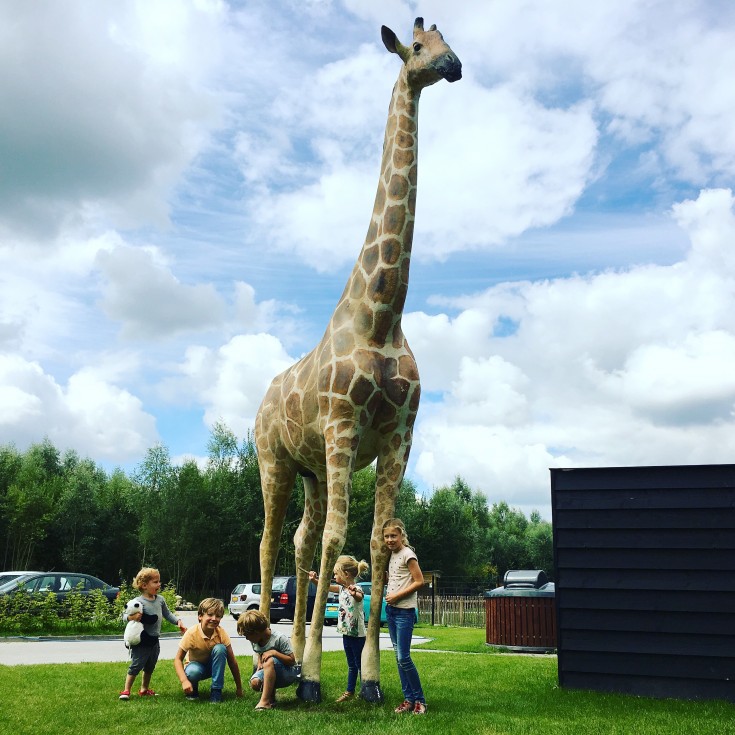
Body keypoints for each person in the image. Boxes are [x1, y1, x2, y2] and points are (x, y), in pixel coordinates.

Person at [119, 567, 187, 700]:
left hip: (155, 640)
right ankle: (126, 690)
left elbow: (167, 614)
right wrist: (131, 618)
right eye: (155, 582)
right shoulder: (138, 602)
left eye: (159, 581)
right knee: (137, 664)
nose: (159, 584)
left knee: (150, 665)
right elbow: (123, 616)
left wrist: (178, 621)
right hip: (142, 641)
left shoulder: (160, 599)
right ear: (144, 585)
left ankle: (144, 689)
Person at [309, 555, 369, 702]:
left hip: (357, 634)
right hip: (346, 633)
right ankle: (349, 692)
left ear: (346, 574)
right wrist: (315, 580)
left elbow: (359, 596)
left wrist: (354, 593)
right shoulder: (342, 589)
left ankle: (364, 691)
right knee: (351, 665)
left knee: (359, 664)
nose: (334, 576)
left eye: (336, 573)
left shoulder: (356, 588)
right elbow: (326, 586)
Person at [383, 518, 427, 715]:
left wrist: (397, 596)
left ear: (401, 535)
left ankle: (420, 700)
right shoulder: (392, 555)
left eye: (394, 535)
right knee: (398, 658)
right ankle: (408, 699)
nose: (390, 539)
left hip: (404, 613)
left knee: (404, 657)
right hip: (391, 612)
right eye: (387, 536)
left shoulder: (408, 554)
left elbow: (419, 581)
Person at [174, 597, 243, 703]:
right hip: (195, 667)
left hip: (213, 667)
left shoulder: (221, 633)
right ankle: (192, 688)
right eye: (210, 614)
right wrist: (184, 681)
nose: (214, 618)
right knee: (193, 672)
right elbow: (178, 660)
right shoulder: (191, 633)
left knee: (220, 648)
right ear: (200, 616)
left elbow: (232, 661)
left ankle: (216, 691)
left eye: (218, 616)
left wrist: (239, 687)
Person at [236, 609, 298, 710]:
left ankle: (264, 702)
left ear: (256, 632)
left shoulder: (279, 638)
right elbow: (261, 652)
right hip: (269, 669)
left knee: (270, 661)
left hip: (288, 673)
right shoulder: (255, 640)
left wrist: (274, 653)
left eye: (247, 635)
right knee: (255, 682)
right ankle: (271, 698)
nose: (247, 639)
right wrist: (260, 662)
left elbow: (292, 661)